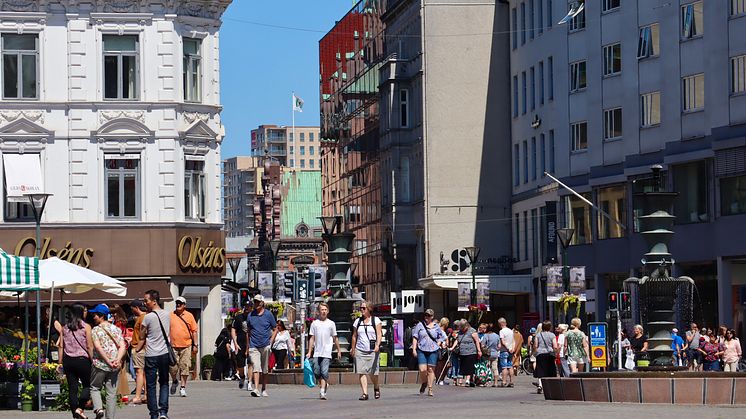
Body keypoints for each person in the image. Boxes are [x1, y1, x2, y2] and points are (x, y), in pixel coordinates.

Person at [136, 289, 171, 419]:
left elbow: (141, 336)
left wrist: (136, 349)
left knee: (150, 385)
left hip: (151, 354)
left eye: (146, 301)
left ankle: (154, 414)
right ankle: (163, 412)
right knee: (164, 382)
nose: (144, 303)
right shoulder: (167, 314)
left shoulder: (147, 317)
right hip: (164, 354)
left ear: (154, 301)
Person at [89, 304, 126, 419]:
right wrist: (117, 360)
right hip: (114, 366)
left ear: (101, 316)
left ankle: (99, 409)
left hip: (100, 364)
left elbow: (98, 347)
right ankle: (110, 417)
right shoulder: (116, 329)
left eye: (95, 315)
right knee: (111, 394)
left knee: (95, 387)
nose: (93, 317)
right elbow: (122, 346)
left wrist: (108, 361)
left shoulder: (96, 330)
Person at [60, 303, 93, 419]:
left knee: (72, 389)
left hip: (68, 360)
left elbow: (61, 346)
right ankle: (80, 408)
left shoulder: (64, 328)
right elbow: (89, 346)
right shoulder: (86, 327)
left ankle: (75, 414)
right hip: (82, 360)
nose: (86, 312)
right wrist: (93, 359)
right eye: (84, 310)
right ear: (80, 312)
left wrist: (60, 361)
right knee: (88, 385)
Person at [306, 302, 341, 400]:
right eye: (322, 310)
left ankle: (322, 392)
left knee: (324, 372)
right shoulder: (314, 324)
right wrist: (309, 351)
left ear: (328, 311)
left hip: (327, 352)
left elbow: (335, 337)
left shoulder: (331, 324)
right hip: (317, 352)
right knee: (317, 372)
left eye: (325, 310)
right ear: (318, 312)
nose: (324, 312)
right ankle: (325, 384)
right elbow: (312, 338)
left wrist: (338, 350)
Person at [350, 300, 382, 400]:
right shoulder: (357, 321)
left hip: (372, 350)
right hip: (360, 349)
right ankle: (365, 393)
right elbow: (354, 336)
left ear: (369, 309)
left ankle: (376, 387)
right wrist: (353, 348)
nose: (362, 310)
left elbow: (379, 334)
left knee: (373, 373)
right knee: (361, 371)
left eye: (364, 308)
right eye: (361, 308)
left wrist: (377, 345)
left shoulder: (376, 320)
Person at [246, 294, 277, 397]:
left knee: (265, 369)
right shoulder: (250, 315)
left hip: (265, 345)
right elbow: (248, 331)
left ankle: (264, 388)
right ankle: (256, 389)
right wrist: (248, 345)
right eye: (255, 302)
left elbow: (275, 328)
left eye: (258, 302)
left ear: (262, 303)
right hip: (254, 345)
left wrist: (271, 341)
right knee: (256, 366)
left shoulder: (268, 315)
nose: (256, 304)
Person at [412, 308, 446, 397]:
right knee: (422, 369)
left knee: (431, 369)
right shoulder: (420, 325)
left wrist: (439, 343)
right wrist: (414, 349)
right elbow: (415, 337)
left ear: (432, 317)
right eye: (426, 315)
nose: (427, 317)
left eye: (429, 315)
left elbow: (441, 337)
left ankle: (430, 388)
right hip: (421, 349)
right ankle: (424, 382)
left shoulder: (436, 326)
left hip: (433, 349)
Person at [169, 296, 198, 398]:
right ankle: (175, 380)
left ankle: (182, 388)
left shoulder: (189, 316)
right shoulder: (171, 315)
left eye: (180, 303)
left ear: (184, 305)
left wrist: (195, 345)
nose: (178, 305)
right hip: (173, 346)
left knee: (185, 366)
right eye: (177, 303)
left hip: (186, 345)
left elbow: (194, 331)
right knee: (172, 367)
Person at [532, 320, 558, 394]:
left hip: (540, 354)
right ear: (550, 327)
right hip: (549, 354)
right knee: (550, 370)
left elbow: (535, 345)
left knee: (540, 370)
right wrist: (555, 353)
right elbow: (555, 346)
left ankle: (540, 385)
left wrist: (535, 352)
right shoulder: (552, 335)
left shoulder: (538, 335)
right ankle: (550, 386)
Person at [129, 299, 147, 405]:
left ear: (136, 308)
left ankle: (138, 396)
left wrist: (137, 348)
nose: (132, 311)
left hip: (139, 348)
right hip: (142, 348)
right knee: (144, 373)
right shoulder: (144, 317)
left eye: (132, 309)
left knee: (139, 372)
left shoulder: (142, 317)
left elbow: (143, 335)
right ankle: (146, 395)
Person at [231, 301, 252, 390]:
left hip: (252, 343)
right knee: (240, 364)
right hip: (240, 343)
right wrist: (235, 343)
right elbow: (233, 329)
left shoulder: (253, 317)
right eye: (245, 306)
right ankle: (242, 376)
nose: (247, 308)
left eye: (249, 306)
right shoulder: (238, 317)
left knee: (251, 362)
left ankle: (250, 382)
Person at [456, 319, 481, 387]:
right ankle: (466, 380)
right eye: (461, 327)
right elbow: (457, 340)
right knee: (463, 366)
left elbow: (477, 341)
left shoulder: (472, 331)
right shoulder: (460, 332)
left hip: (471, 351)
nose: (463, 329)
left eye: (464, 327)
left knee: (469, 366)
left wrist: (479, 351)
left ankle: (468, 380)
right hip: (462, 352)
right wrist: (453, 347)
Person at [497, 317, 515, 387]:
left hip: (504, 351)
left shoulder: (502, 331)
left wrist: (507, 348)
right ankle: (511, 381)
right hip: (511, 351)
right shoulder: (511, 331)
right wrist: (512, 348)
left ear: (500, 324)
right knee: (510, 366)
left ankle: (504, 382)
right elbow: (513, 341)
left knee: (504, 367)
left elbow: (502, 342)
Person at [434, 317, 450, 385]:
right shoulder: (442, 331)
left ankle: (438, 379)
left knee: (438, 365)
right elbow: (444, 341)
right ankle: (441, 380)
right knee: (443, 365)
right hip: (441, 350)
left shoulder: (436, 330)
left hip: (436, 349)